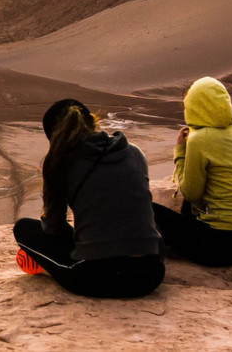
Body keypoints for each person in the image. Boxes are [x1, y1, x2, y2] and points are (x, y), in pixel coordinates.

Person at [13, 99, 164, 298]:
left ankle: (47, 268)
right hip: (151, 274)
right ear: (93, 121)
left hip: (98, 278)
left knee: (23, 228)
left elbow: (53, 228)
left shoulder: (61, 164)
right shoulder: (134, 152)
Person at [152, 77, 232, 266]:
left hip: (223, 246)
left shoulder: (200, 139)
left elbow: (191, 193)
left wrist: (181, 151)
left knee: (149, 210)